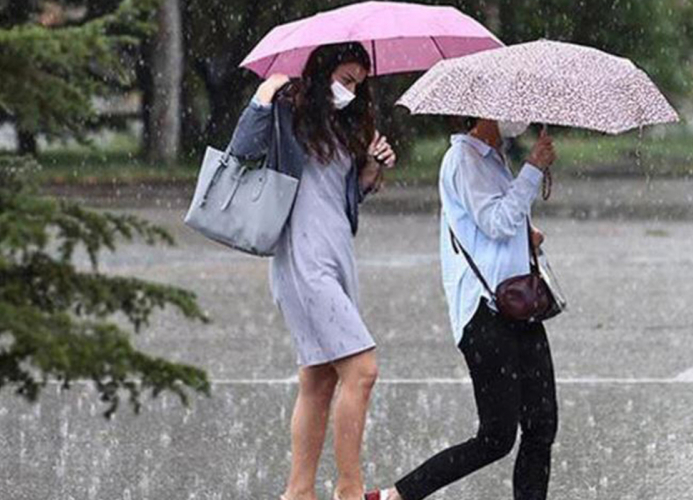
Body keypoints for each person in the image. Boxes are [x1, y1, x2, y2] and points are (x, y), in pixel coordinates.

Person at [226, 42, 396, 500]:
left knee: (319, 380)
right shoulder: (289, 113)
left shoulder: (342, 125)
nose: (351, 90)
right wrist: (264, 97)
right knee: (362, 370)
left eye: (358, 84)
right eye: (345, 79)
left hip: (337, 254)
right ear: (322, 72)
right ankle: (349, 489)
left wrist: (371, 168)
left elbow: (345, 197)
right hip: (303, 259)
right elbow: (239, 151)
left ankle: (298, 493)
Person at [366, 118, 558, 500]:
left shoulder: (493, 159)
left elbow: (497, 228)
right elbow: (497, 222)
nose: (518, 116)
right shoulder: (462, 159)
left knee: (541, 424)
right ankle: (396, 496)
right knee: (496, 437)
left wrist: (528, 236)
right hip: (484, 315)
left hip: (519, 307)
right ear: (484, 111)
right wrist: (534, 168)